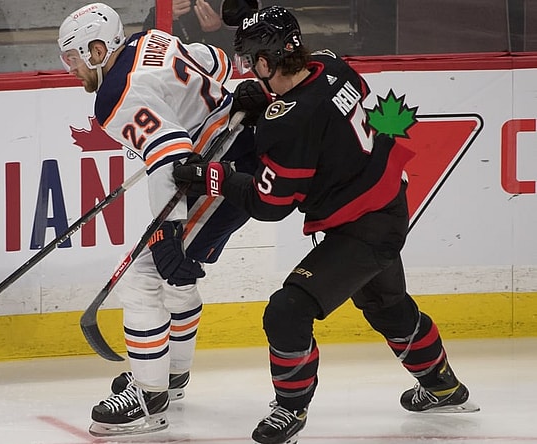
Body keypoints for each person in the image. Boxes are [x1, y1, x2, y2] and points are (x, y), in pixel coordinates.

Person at [173, 6, 479, 444]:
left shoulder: (290, 121)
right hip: (386, 204)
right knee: (387, 307)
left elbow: (270, 203)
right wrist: (266, 100)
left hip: (364, 226)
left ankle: (290, 411)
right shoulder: (333, 66)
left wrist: (211, 176)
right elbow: (316, 111)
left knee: (286, 311)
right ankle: (444, 388)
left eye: (252, 64)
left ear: (264, 63)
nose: (250, 71)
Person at [57, 2, 258, 438]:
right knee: (174, 273)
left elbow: (170, 152)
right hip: (237, 144)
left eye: (72, 57)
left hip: (220, 168)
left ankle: (149, 398)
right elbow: (216, 62)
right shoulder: (152, 41)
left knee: (146, 273)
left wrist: (166, 233)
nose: (70, 67)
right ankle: (171, 376)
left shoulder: (113, 97)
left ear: (96, 49)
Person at [142, 0, 236, 54]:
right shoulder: (173, 3)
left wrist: (218, 30)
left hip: (223, 73)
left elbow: (242, 60)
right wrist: (164, 15)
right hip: (179, 73)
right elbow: (145, 47)